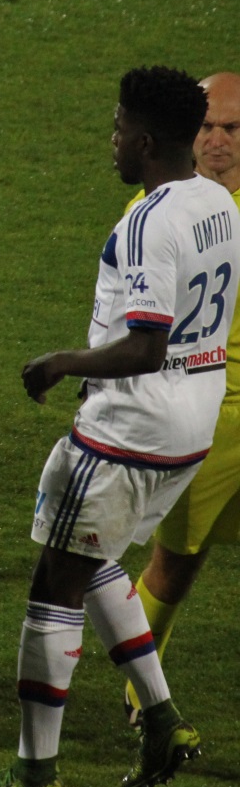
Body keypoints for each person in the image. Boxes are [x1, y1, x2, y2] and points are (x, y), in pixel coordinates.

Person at [0, 67, 240, 787]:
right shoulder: (218, 200)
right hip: (194, 421)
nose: (111, 140)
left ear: (146, 140)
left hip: (133, 424)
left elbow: (146, 344)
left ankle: (35, 777)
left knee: (51, 586)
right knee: (94, 559)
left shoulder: (151, 220)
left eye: (119, 126)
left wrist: (63, 362)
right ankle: (162, 719)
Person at [121, 72, 240, 725]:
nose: (217, 140)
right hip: (208, 417)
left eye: (232, 128)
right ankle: (145, 697)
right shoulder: (161, 212)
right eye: (206, 127)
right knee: (176, 561)